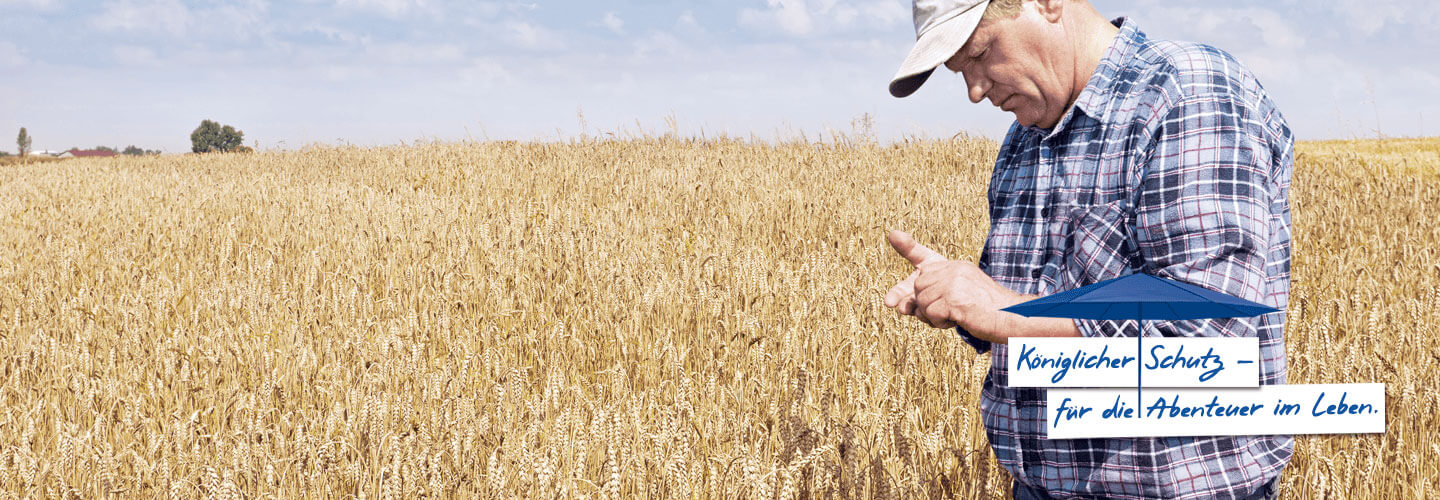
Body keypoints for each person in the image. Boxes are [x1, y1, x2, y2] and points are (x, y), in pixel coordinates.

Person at [882, 0, 1293, 498]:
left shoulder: (1187, 91)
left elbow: (1209, 325)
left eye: (982, 53)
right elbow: (1017, 319)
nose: (975, 90)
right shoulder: (1024, 139)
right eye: (960, 71)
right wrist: (955, 302)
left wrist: (1006, 313)